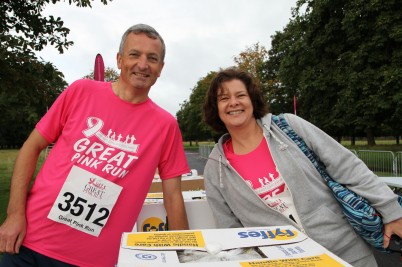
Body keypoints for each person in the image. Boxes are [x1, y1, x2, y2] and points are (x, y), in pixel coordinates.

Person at [0, 23, 190, 267]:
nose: (142, 64)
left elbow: (173, 195)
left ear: (160, 69)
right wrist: (14, 214)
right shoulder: (81, 91)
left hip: (93, 260)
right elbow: (32, 146)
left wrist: (184, 254)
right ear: (120, 59)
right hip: (30, 242)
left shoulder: (165, 125)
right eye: (134, 55)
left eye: (152, 58)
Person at [202, 67, 402, 267]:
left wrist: (392, 211)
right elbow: (230, 228)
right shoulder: (215, 168)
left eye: (240, 95)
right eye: (223, 98)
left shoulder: (290, 127)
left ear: (252, 100)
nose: (233, 103)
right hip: (283, 262)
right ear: (216, 108)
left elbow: (349, 168)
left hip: (345, 253)